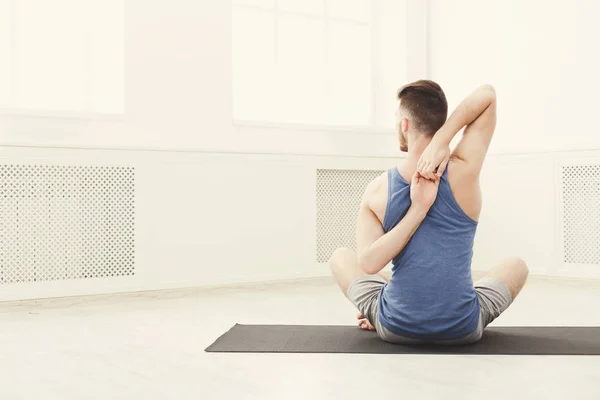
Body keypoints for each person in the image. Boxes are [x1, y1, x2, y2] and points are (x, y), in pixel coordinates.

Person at [330, 81, 529, 344]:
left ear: (404, 124)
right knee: (517, 266)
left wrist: (416, 211)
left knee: (341, 257)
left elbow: (367, 264)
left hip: (395, 325)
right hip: (462, 329)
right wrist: (444, 139)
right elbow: (487, 94)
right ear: (439, 122)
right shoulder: (464, 171)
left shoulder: (377, 190)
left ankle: (389, 299)